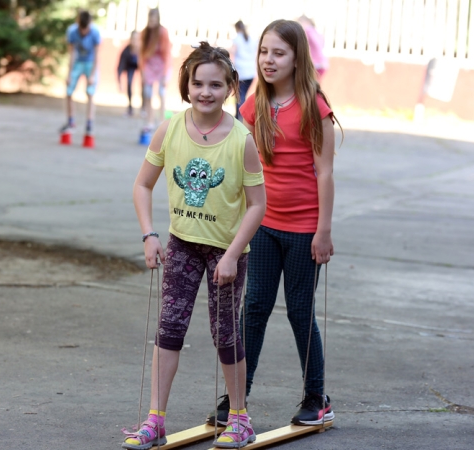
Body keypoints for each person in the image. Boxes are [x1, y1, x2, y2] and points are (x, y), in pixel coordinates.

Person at [126, 41, 266, 450]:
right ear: (186, 85)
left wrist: (232, 254)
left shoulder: (241, 139)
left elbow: (258, 205)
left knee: (225, 335)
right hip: (182, 245)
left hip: (227, 252)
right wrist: (150, 234)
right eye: (198, 83)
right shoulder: (170, 128)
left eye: (216, 85)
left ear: (230, 88)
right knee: (169, 329)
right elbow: (142, 185)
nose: (206, 92)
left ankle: (240, 419)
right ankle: (155, 420)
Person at [207, 19, 341, 428]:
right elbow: (238, 160)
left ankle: (316, 397)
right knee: (254, 309)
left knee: (300, 312)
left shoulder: (315, 107)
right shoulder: (253, 104)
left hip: (304, 231)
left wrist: (323, 231)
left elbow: (325, 173)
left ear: (297, 58)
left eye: (278, 53)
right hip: (262, 226)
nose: (268, 60)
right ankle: (237, 398)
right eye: (264, 51)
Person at [60, 10, 102, 136]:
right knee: (69, 91)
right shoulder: (72, 31)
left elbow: (97, 55)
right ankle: (71, 121)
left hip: (90, 63)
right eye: (81, 28)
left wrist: (93, 75)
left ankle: (89, 123)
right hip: (78, 62)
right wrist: (69, 75)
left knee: (90, 92)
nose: (83, 32)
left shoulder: (95, 32)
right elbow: (72, 53)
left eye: (86, 28)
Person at [139, 8, 172, 133]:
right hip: (149, 65)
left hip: (162, 64)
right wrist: (142, 73)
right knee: (147, 93)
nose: (151, 21)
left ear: (157, 19)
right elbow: (142, 55)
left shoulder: (163, 32)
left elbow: (167, 54)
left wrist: (164, 75)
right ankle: (150, 121)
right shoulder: (145, 33)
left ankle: (161, 121)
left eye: (154, 19)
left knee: (161, 92)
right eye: (150, 19)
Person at [230, 20, 257, 121]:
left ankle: (239, 116)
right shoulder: (250, 39)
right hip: (250, 71)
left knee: (239, 95)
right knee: (243, 95)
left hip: (241, 72)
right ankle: (241, 116)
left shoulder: (237, 39)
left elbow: (233, 51)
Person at [298, 15, 328, 82]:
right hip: (322, 63)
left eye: (300, 22)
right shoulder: (315, 31)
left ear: (306, 22)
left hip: (315, 64)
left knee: (310, 85)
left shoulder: (307, 31)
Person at [117, 31, 141, 116]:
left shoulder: (142, 50)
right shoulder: (126, 51)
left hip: (141, 66)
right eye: (133, 39)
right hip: (130, 67)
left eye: (137, 39)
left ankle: (144, 107)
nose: (135, 41)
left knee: (144, 83)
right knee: (129, 82)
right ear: (130, 39)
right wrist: (120, 83)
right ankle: (130, 108)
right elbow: (119, 68)